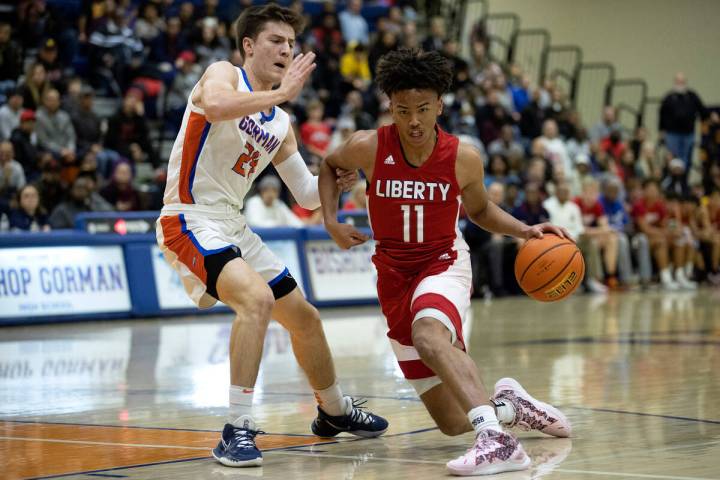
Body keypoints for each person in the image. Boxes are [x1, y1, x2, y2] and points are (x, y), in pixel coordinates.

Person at [155, 4, 387, 469]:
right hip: (188, 218)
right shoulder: (222, 75)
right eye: (276, 41)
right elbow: (216, 106)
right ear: (248, 46)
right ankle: (236, 429)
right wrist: (279, 93)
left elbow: (305, 192)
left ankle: (334, 411)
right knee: (257, 300)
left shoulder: (280, 124)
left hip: (233, 225)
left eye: (291, 44)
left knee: (305, 318)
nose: (286, 49)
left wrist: (337, 186)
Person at [319, 48, 571, 477]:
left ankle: (497, 441)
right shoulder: (368, 147)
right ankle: (509, 408)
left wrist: (525, 230)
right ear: (390, 109)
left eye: (422, 109)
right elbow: (329, 165)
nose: (413, 121)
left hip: (443, 262)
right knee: (452, 421)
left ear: (439, 105)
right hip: (393, 276)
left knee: (429, 333)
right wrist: (331, 221)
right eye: (402, 111)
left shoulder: (463, 157)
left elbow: (480, 210)